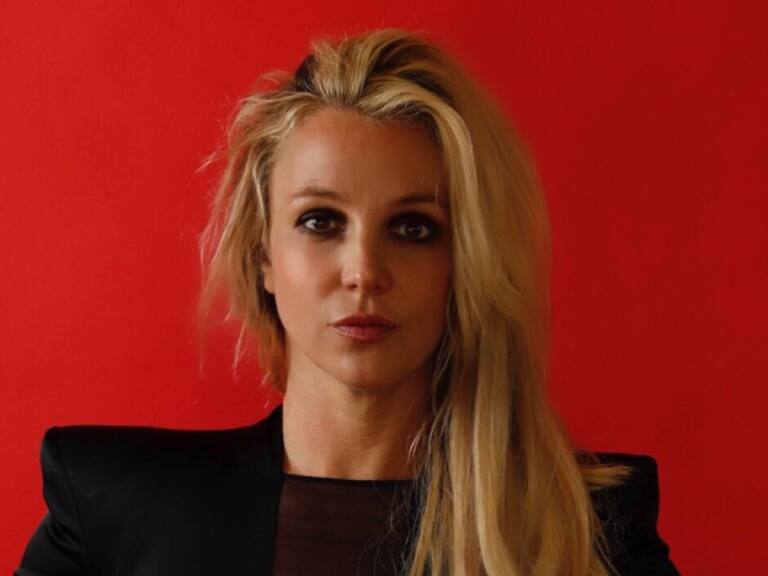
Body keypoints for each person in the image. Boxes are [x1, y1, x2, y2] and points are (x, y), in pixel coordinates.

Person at [15, 28, 680, 576]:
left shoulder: (590, 527)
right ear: (263, 256)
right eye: (320, 221)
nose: (363, 272)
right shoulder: (108, 508)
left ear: (466, 263)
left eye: (414, 228)